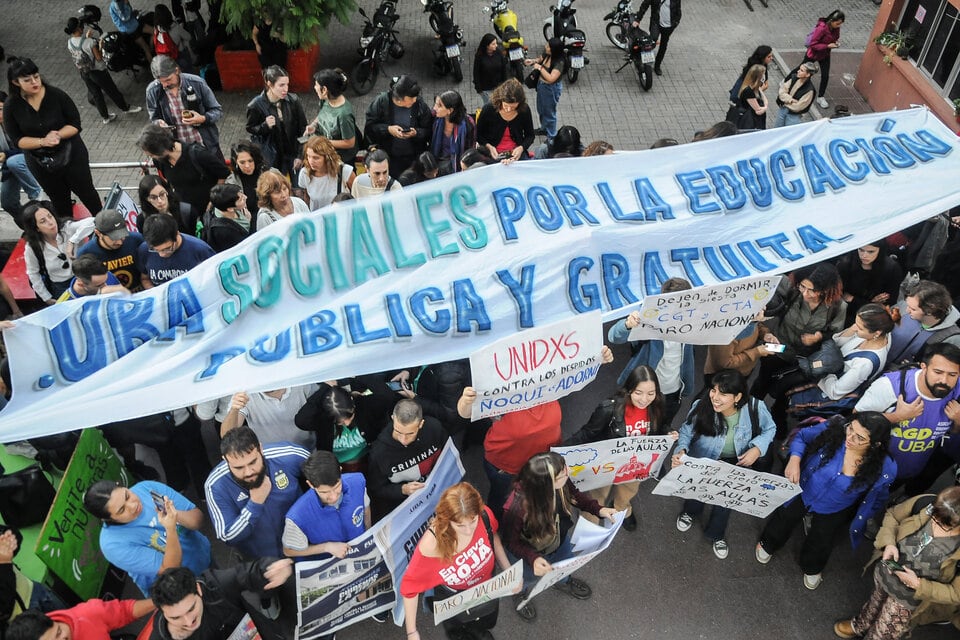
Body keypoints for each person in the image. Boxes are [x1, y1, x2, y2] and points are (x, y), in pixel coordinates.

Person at [755, 413, 896, 591]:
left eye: (860, 437)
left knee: (822, 537)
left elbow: (878, 497)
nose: (850, 437)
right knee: (785, 517)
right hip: (804, 488)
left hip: (835, 507)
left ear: (876, 444)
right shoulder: (835, 429)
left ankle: (812, 566)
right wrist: (794, 459)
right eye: (850, 428)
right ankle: (768, 543)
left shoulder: (885, 468)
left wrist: (867, 513)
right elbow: (802, 437)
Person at [672, 369, 777, 560]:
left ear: (738, 397)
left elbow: (770, 428)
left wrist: (757, 448)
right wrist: (682, 450)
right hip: (703, 460)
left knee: (725, 500)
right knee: (697, 490)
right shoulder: (701, 405)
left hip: (735, 464)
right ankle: (690, 512)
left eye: (723, 394)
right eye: (714, 390)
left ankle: (716, 534)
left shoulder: (755, 407)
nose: (715, 397)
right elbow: (686, 431)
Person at [501, 452, 617, 622]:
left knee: (565, 565)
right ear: (547, 484)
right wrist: (533, 559)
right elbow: (511, 542)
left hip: (559, 541)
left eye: (565, 468)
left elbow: (575, 495)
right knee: (526, 578)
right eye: (563, 473)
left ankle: (562, 581)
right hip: (530, 554)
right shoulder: (517, 507)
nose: (568, 473)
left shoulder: (560, 482)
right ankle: (521, 594)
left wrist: (598, 509)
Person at [833, 486, 960, 640]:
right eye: (934, 516)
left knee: (886, 630)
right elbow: (893, 515)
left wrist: (919, 585)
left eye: (943, 525)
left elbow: (956, 593)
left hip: (910, 600)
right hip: (886, 574)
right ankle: (862, 624)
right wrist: (889, 543)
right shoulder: (927, 502)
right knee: (874, 603)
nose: (934, 523)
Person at [565, 365, 675, 531]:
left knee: (628, 490)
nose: (644, 399)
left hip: (636, 464)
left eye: (651, 393)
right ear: (629, 390)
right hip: (606, 464)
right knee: (598, 494)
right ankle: (590, 523)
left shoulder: (658, 404)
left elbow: (661, 426)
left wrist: (668, 432)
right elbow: (587, 433)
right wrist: (561, 451)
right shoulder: (609, 408)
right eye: (639, 393)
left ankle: (622, 508)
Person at [401, 482, 513, 640]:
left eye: (473, 521)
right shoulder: (431, 545)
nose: (468, 531)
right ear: (446, 520)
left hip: (487, 590)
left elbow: (493, 536)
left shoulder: (484, 515)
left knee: (485, 622)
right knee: (458, 630)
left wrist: (509, 571)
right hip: (455, 600)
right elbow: (409, 588)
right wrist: (412, 631)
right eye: (460, 525)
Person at [751, 263, 847, 432]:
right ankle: (750, 411)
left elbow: (835, 333)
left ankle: (777, 415)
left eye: (812, 290)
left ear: (825, 290)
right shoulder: (792, 290)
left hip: (803, 358)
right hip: (779, 345)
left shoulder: (838, 307)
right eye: (803, 287)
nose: (805, 294)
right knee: (763, 380)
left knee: (788, 390)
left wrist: (818, 337)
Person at [4, 57, 102, 220]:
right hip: (40, 162)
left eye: (36, 76)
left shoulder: (56, 95)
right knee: (59, 202)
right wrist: (42, 142)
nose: (34, 82)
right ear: (16, 82)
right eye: (27, 80)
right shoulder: (11, 106)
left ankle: (103, 225)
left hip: (72, 155)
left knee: (88, 194)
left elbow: (75, 124)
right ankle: (68, 230)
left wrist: (57, 135)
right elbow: (17, 139)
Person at [855, 342, 960, 493]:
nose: (944, 380)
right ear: (924, 367)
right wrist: (897, 416)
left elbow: (950, 439)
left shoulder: (957, 392)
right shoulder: (890, 386)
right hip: (868, 469)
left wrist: (958, 421)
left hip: (907, 472)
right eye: (938, 372)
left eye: (952, 375)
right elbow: (855, 418)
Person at [83, 479, 211, 596]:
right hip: (178, 592)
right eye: (122, 510)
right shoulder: (112, 545)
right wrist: (170, 528)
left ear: (121, 486)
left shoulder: (147, 488)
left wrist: (176, 515)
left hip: (203, 559)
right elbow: (170, 568)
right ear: (107, 519)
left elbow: (197, 520)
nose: (132, 506)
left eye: (127, 496)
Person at [204, 426, 309, 559]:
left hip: (304, 548)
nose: (248, 472)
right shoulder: (216, 485)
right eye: (239, 467)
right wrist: (255, 503)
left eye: (253, 462)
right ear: (225, 460)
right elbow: (228, 536)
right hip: (261, 561)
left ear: (260, 449)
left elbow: (324, 479)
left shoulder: (290, 456)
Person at [607, 277, 696, 427]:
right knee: (630, 430)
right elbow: (613, 336)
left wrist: (749, 322)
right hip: (642, 393)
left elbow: (724, 332)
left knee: (662, 428)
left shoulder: (693, 321)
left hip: (672, 394)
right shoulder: (648, 316)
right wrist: (627, 324)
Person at [787, 304, 895, 416]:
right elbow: (837, 341)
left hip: (824, 386)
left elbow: (835, 392)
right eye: (855, 323)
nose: (855, 328)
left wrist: (827, 369)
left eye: (860, 328)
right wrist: (851, 330)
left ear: (877, 333)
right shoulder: (878, 334)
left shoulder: (865, 364)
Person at [140, 561, 293, 640]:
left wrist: (272, 569)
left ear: (199, 589)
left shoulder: (216, 586)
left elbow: (248, 573)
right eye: (175, 618)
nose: (188, 621)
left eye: (191, 609)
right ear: (162, 612)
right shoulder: (162, 637)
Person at [136, 123, 229, 232]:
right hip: (185, 212)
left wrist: (213, 200)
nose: (151, 158)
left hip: (207, 209)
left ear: (160, 149)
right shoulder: (160, 160)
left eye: (151, 155)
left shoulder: (197, 154)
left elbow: (223, 173)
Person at [367, 399, 449, 522]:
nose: (403, 439)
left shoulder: (435, 429)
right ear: (392, 419)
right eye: (398, 431)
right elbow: (376, 489)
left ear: (421, 424)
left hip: (437, 493)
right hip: (404, 508)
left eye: (410, 433)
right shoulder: (379, 452)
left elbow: (448, 457)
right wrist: (402, 489)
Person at [281, 450, 369, 561]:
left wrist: (368, 535)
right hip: (329, 563)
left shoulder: (357, 483)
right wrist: (326, 547)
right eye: (324, 492)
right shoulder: (297, 517)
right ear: (310, 484)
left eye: (337, 487)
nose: (333, 497)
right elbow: (288, 550)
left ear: (340, 471)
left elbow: (366, 509)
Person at [295, 383, 395, 473]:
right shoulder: (324, 420)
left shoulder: (364, 406)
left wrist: (358, 377)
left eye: (350, 416)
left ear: (353, 404)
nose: (347, 423)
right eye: (340, 422)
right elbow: (301, 421)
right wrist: (326, 387)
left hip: (368, 462)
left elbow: (389, 398)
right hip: (336, 469)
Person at [65, 17, 142, 125]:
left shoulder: (70, 42)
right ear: (78, 28)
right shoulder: (89, 42)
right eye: (81, 26)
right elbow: (99, 57)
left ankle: (105, 117)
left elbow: (81, 49)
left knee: (96, 95)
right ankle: (126, 108)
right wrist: (100, 46)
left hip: (84, 72)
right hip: (98, 72)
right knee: (112, 90)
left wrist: (87, 38)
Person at [146, 55, 223, 155]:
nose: (165, 85)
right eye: (161, 82)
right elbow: (154, 118)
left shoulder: (197, 83)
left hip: (205, 145)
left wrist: (203, 119)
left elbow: (217, 110)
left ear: (177, 70)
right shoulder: (152, 90)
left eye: (168, 80)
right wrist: (158, 123)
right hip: (177, 150)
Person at [364, 75, 432, 178]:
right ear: (400, 99)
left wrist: (416, 133)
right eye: (411, 98)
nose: (415, 100)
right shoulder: (381, 102)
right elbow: (370, 128)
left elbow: (429, 130)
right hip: (389, 158)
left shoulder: (420, 105)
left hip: (413, 159)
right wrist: (388, 129)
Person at [245, 65, 307, 177]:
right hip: (273, 156)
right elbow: (250, 128)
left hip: (292, 152)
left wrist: (300, 155)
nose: (286, 89)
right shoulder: (255, 105)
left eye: (287, 84)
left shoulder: (293, 100)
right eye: (281, 85)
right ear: (269, 84)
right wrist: (265, 126)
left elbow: (303, 129)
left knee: (299, 185)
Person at [20, 200, 83, 304]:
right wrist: (46, 297)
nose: (50, 222)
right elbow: (33, 273)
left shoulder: (67, 228)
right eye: (43, 221)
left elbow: (93, 222)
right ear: (37, 228)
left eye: (50, 216)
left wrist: (72, 242)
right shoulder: (33, 247)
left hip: (82, 278)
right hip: (60, 287)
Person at [219, 385, 318, 450]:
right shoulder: (245, 393)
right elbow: (227, 435)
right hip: (272, 457)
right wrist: (234, 409)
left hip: (307, 451)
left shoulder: (301, 384)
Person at [887, 280, 960, 366]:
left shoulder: (952, 338)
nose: (907, 310)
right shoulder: (903, 307)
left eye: (913, 309)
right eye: (907, 305)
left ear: (929, 310)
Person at [7, 598, 155, 640]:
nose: (62, 638)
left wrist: (157, 601)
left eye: (59, 632)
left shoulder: (89, 613)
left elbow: (125, 611)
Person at [138, 213, 215, 289]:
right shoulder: (144, 250)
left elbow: (214, 279)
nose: (162, 254)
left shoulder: (200, 250)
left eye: (167, 248)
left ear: (177, 234)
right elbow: (145, 279)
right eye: (155, 250)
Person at [76, 208, 145, 292]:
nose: (120, 242)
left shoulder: (137, 240)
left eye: (123, 236)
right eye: (114, 238)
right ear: (98, 233)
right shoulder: (85, 253)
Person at [0, 92, 42, 225]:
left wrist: (7, 155)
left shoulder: (21, 121)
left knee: (13, 161)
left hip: (30, 158)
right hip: (9, 167)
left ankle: (36, 193)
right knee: (7, 202)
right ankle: (29, 225)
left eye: (0, 109)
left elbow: (31, 145)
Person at [837, 242, 904, 325]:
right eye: (861, 250)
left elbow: (889, 302)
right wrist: (872, 302)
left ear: (880, 250)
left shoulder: (891, 268)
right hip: (847, 312)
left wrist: (855, 300)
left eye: (871, 252)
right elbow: (841, 295)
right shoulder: (845, 264)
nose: (864, 255)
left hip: (874, 316)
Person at [305, 68, 358, 166]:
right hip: (327, 152)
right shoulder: (326, 99)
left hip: (341, 159)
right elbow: (322, 114)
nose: (315, 88)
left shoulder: (344, 115)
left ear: (324, 90)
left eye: (316, 85)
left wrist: (323, 141)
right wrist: (314, 125)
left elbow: (349, 143)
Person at [476, 79, 535, 164]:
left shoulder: (524, 110)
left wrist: (521, 148)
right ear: (500, 100)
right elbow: (478, 135)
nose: (508, 110)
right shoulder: (489, 109)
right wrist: (489, 147)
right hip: (492, 154)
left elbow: (530, 135)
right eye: (506, 106)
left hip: (516, 154)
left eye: (513, 107)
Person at [297, 136, 355, 210]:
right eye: (308, 156)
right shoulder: (304, 173)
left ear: (327, 157)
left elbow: (358, 196)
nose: (311, 161)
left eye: (316, 158)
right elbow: (306, 198)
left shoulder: (344, 171)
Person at [524, 38, 563, 142]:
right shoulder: (547, 53)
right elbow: (540, 59)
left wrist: (540, 68)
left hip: (551, 89)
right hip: (541, 86)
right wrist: (533, 61)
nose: (546, 47)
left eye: (548, 46)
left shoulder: (559, 63)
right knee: (541, 109)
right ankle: (544, 128)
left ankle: (552, 136)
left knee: (549, 112)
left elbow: (551, 79)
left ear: (554, 50)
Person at [803, 9, 844, 110]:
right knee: (801, 69)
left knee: (825, 76)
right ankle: (788, 81)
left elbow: (835, 37)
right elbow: (813, 44)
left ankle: (820, 97)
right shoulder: (821, 28)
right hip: (814, 54)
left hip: (825, 55)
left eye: (840, 24)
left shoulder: (836, 28)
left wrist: (836, 42)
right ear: (831, 21)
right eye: (837, 23)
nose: (839, 26)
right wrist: (827, 46)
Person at [431, 90, 475, 175]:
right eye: (435, 104)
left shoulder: (468, 123)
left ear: (450, 110)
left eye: (439, 106)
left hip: (458, 164)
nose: (434, 108)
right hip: (437, 162)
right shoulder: (434, 118)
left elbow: (470, 148)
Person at [636, 0, 682, 76]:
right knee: (651, 42)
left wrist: (675, 23)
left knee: (663, 46)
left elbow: (678, 10)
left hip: (669, 27)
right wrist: (638, 19)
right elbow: (644, 5)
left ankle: (657, 66)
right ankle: (644, 61)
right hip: (656, 23)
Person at [225, 141, 264, 230]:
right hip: (248, 223)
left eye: (250, 161)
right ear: (236, 162)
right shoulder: (231, 183)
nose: (247, 166)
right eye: (242, 162)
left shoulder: (268, 173)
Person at [56, 254, 125, 302]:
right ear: (81, 284)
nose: (106, 286)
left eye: (106, 280)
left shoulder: (105, 275)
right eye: (99, 285)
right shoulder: (64, 305)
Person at [204, 183, 252, 252]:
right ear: (230, 209)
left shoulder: (222, 205)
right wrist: (249, 220)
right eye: (241, 199)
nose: (246, 197)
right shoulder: (224, 232)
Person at [773, 61, 818, 128]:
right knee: (776, 129)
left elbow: (798, 107)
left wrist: (785, 102)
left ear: (808, 74)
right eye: (799, 69)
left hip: (793, 115)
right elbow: (782, 92)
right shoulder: (794, 78)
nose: (798, 71)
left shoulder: (809, 90)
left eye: (801, 70)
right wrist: (791, 100)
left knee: (789, 132)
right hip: (783, 109)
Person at [152, 4, 195, 73]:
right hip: (180, 55)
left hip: (169, 61)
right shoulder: (175, 28)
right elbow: (188, 37)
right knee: (188, 72)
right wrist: (181, 27)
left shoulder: (157, 29)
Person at [474, 34, 508, 104]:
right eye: (493, 44)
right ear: (487, 46)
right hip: (485, 88)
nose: (496, 45)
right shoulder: (479, 56)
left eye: (496, 43)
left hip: (498, 86)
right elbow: (476, 72)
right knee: (488, 105)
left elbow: (504, 68)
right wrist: (478, 88)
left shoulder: (498, 52)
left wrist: (505, 83)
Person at [735, 64, 767, 130]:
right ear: (758, 76)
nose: (764, 76)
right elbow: (758, 110)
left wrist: (764, 107)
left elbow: (765, 100)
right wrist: (765, 108)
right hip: (750, 122)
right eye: (763, 74)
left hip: (756, 120)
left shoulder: (757, 88)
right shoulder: (748, 91)